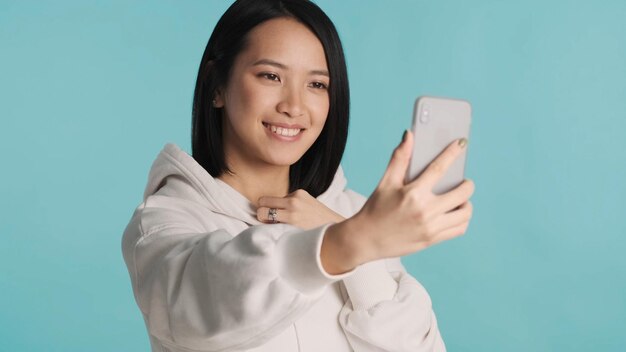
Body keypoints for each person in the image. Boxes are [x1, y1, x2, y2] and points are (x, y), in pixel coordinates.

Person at [121, 0, 475, 351]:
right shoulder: (164, 220)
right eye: (271, 76)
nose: (293, 106)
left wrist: (357, 249)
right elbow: (210, 302)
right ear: (217, 87)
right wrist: (346, 242)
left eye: (317, 85)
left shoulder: (351, 211)